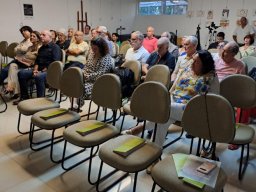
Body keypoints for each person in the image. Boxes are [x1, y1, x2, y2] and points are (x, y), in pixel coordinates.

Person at [122, 50, 217, 148]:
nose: (192, 63)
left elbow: (210, 99)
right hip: (173, 102)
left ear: (205, 64)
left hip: (190, 108)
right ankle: (154, 150)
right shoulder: (188, 69)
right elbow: (175, 84)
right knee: (163, 121)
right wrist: (168, 95)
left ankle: (139, 128)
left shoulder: (210, 76)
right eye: (193, 60)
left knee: (163, 109)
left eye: (196, 62)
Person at [14, 30, 62, 105]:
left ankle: (40, 101)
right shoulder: (41, 48)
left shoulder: (55, 47)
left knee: (39, 76)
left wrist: (42, 71)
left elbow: (55, 63)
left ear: (50, 37)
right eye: (41, 35)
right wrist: (35, 69)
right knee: (21, 73)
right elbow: (37, 61)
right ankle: (24, 96)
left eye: (43, 35)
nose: (41, 36)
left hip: (50, 71)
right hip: (39, 70)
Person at [5, 31, 42, 99]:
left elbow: (38, 62)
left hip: (33, 67)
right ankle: (13, 89)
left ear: (38, 38)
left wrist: (24, 61)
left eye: (34, 36)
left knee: (14, 69)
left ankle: (12, 89)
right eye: (31, 35)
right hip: (24, 65)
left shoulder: (40, 48)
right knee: (12, 65)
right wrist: (20, 59)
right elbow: (25, 58)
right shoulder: (30, 47)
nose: (31, 37)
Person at [0, 26, 33, 90]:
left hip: (23, 63)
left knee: (5, 70)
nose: (23, 33)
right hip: (17, 60)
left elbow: (24, 49)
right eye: (22, 32)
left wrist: (19, 49)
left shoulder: (32, 41)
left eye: (25, 31)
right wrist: (20, 49)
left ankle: (10, 89)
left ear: (30, 31)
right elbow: (15, 50)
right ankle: (8, 88)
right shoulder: (23, 41)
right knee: (4, 70)